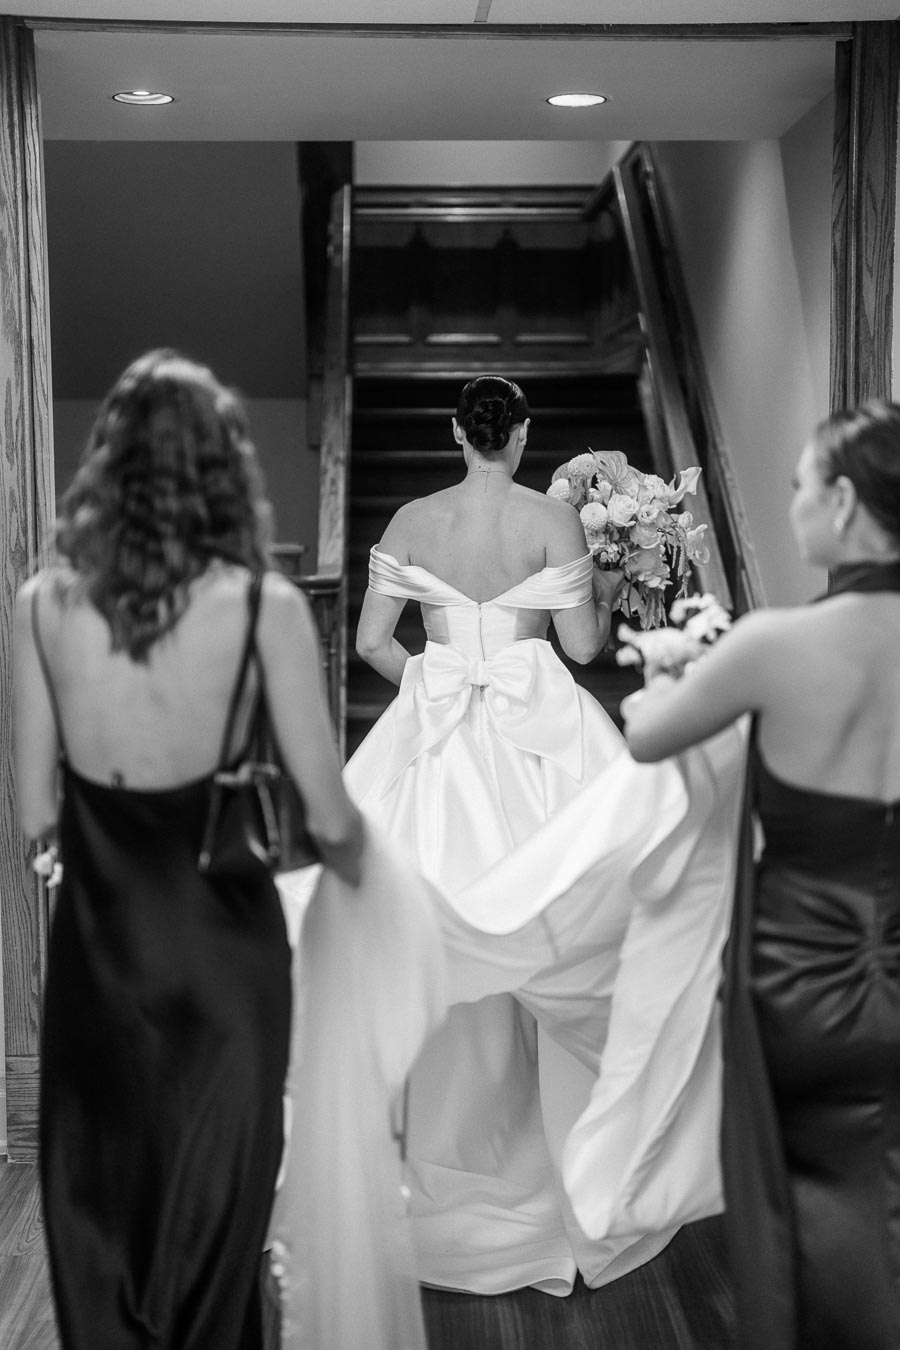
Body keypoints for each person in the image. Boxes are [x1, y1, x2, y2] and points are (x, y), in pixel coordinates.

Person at [12, 350, 363, 1350]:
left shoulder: (42, 606)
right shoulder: (264, 608)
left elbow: (37, 808)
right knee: (215, 1240)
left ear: (108, 464)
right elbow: (331, 819)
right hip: (227, 962)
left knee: (101, 1227)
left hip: (100, 963)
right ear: (223, 469)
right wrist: (372, 890)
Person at [349, 374, 636, 1295]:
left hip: (437, 738)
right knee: (555, 928)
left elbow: (370, 645)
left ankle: (433, 1151)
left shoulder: (409, 519)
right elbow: (584, 650)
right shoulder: (550, 521)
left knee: (429, 933)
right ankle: (556, 1152)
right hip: (537, 735)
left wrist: (435, 689)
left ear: (454, 433)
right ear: (520, 434)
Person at [622, 401, 900, 1349]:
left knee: (807, 1208)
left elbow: (648, 738)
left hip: (800, 980)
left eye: (802, 487)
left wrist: (668, 665)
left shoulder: (777, 646)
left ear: (848, 501)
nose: (793, 506)